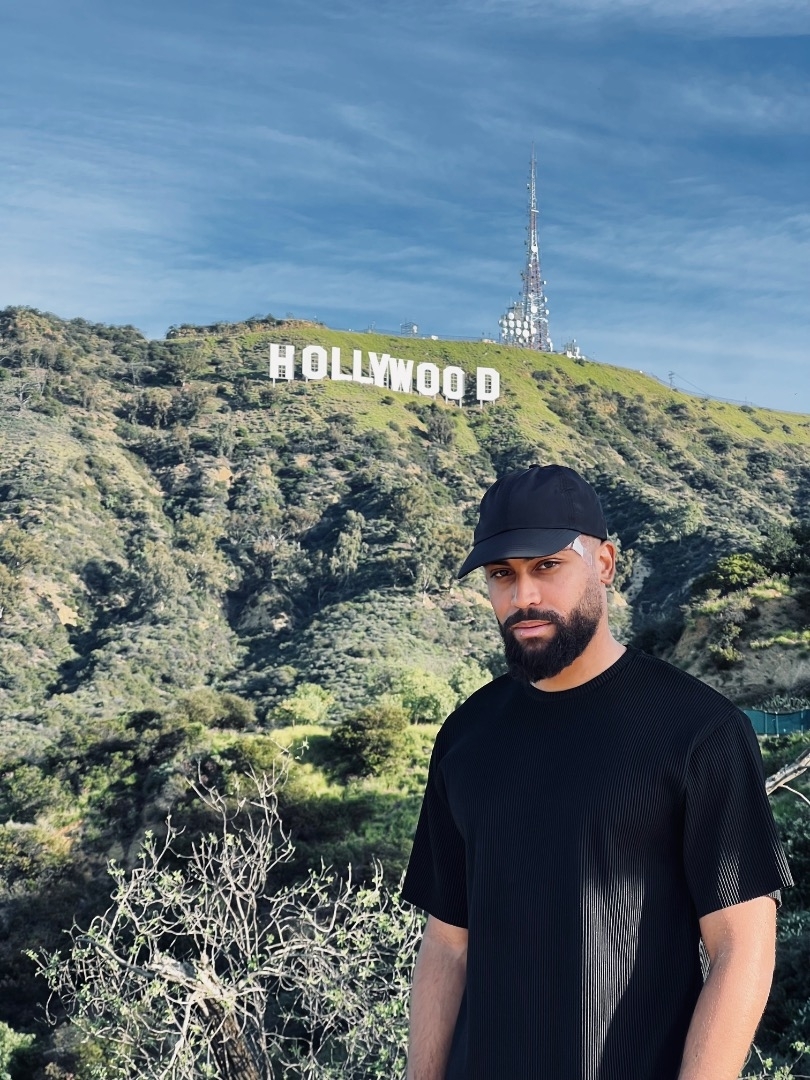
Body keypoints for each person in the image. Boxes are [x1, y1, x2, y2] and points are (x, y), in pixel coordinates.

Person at [401, 464, 793, 1080]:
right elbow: (449, 943)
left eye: (547, 566)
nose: (523, 596)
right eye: (502, 574)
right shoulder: (466, 735)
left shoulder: (700, 730)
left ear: (604, 564)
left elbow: (743, 947)